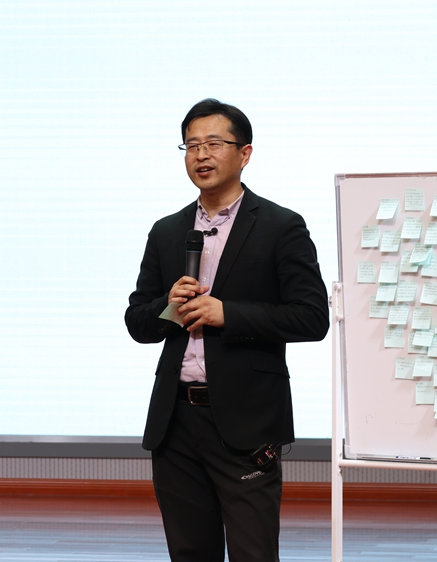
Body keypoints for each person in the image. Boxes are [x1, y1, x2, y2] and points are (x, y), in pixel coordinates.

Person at [124, 98, 330, 562]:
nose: (201, 155)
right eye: (192, 145)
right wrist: (168, 307)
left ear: (245, 153)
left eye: (214, 143)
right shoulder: (167, 231)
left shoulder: (281, 226)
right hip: (175, 421)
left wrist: (228, 314)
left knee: (253, 553)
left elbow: (312, 317)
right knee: (190, 552)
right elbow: (137, 322)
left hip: (245, 419)